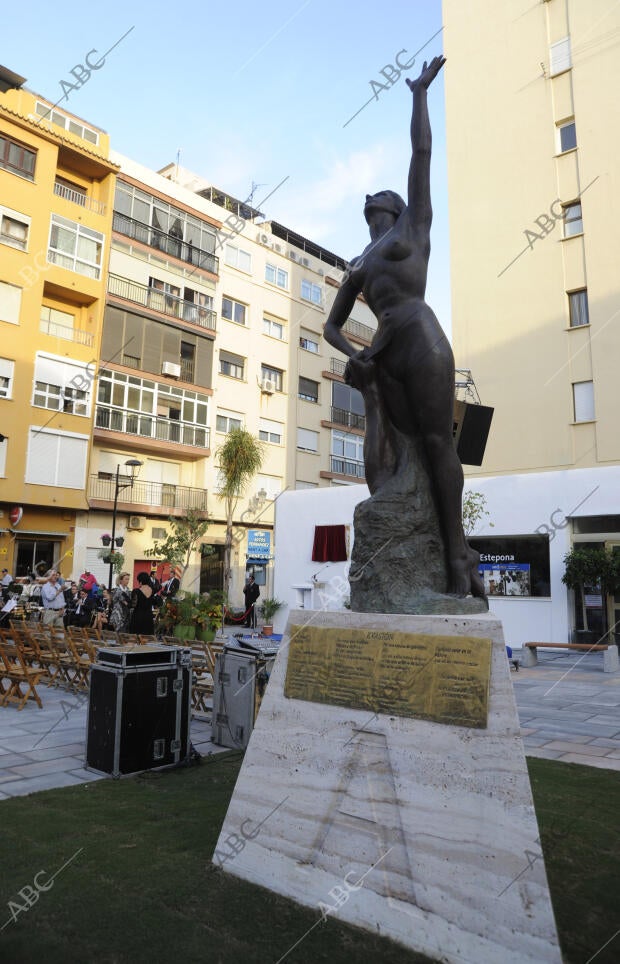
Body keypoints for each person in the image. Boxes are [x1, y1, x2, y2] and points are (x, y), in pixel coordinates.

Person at [323, 56, 484, 600]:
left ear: (391, 208)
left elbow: (422, 153)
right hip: (385, 353)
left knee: (440, 442)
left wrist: (418, 93)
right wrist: (358, 354)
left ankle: (455, 555)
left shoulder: (414, 226)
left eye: (378, 203)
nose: (372, 206)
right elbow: (330, 326)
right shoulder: (358, 264)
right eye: (367, 206)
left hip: (421, 337)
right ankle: (405, 550)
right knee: (387, 453)